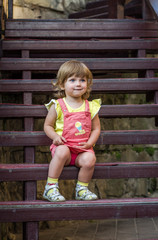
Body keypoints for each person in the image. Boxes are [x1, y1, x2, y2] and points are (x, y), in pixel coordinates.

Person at [43, 60, 101, 202]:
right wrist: (55, 137)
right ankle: (50, 187)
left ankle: (82, 189)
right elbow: (47, 126)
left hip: (82, 150)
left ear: (87, 83)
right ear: (62, 84)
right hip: (64, 150)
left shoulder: (91, 107)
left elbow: (96, 128)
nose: (78, 84)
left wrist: (90, 143)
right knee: (62, 150)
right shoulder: (57, 106)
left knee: (90, 159)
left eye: (82, 80)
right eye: (72, 80)